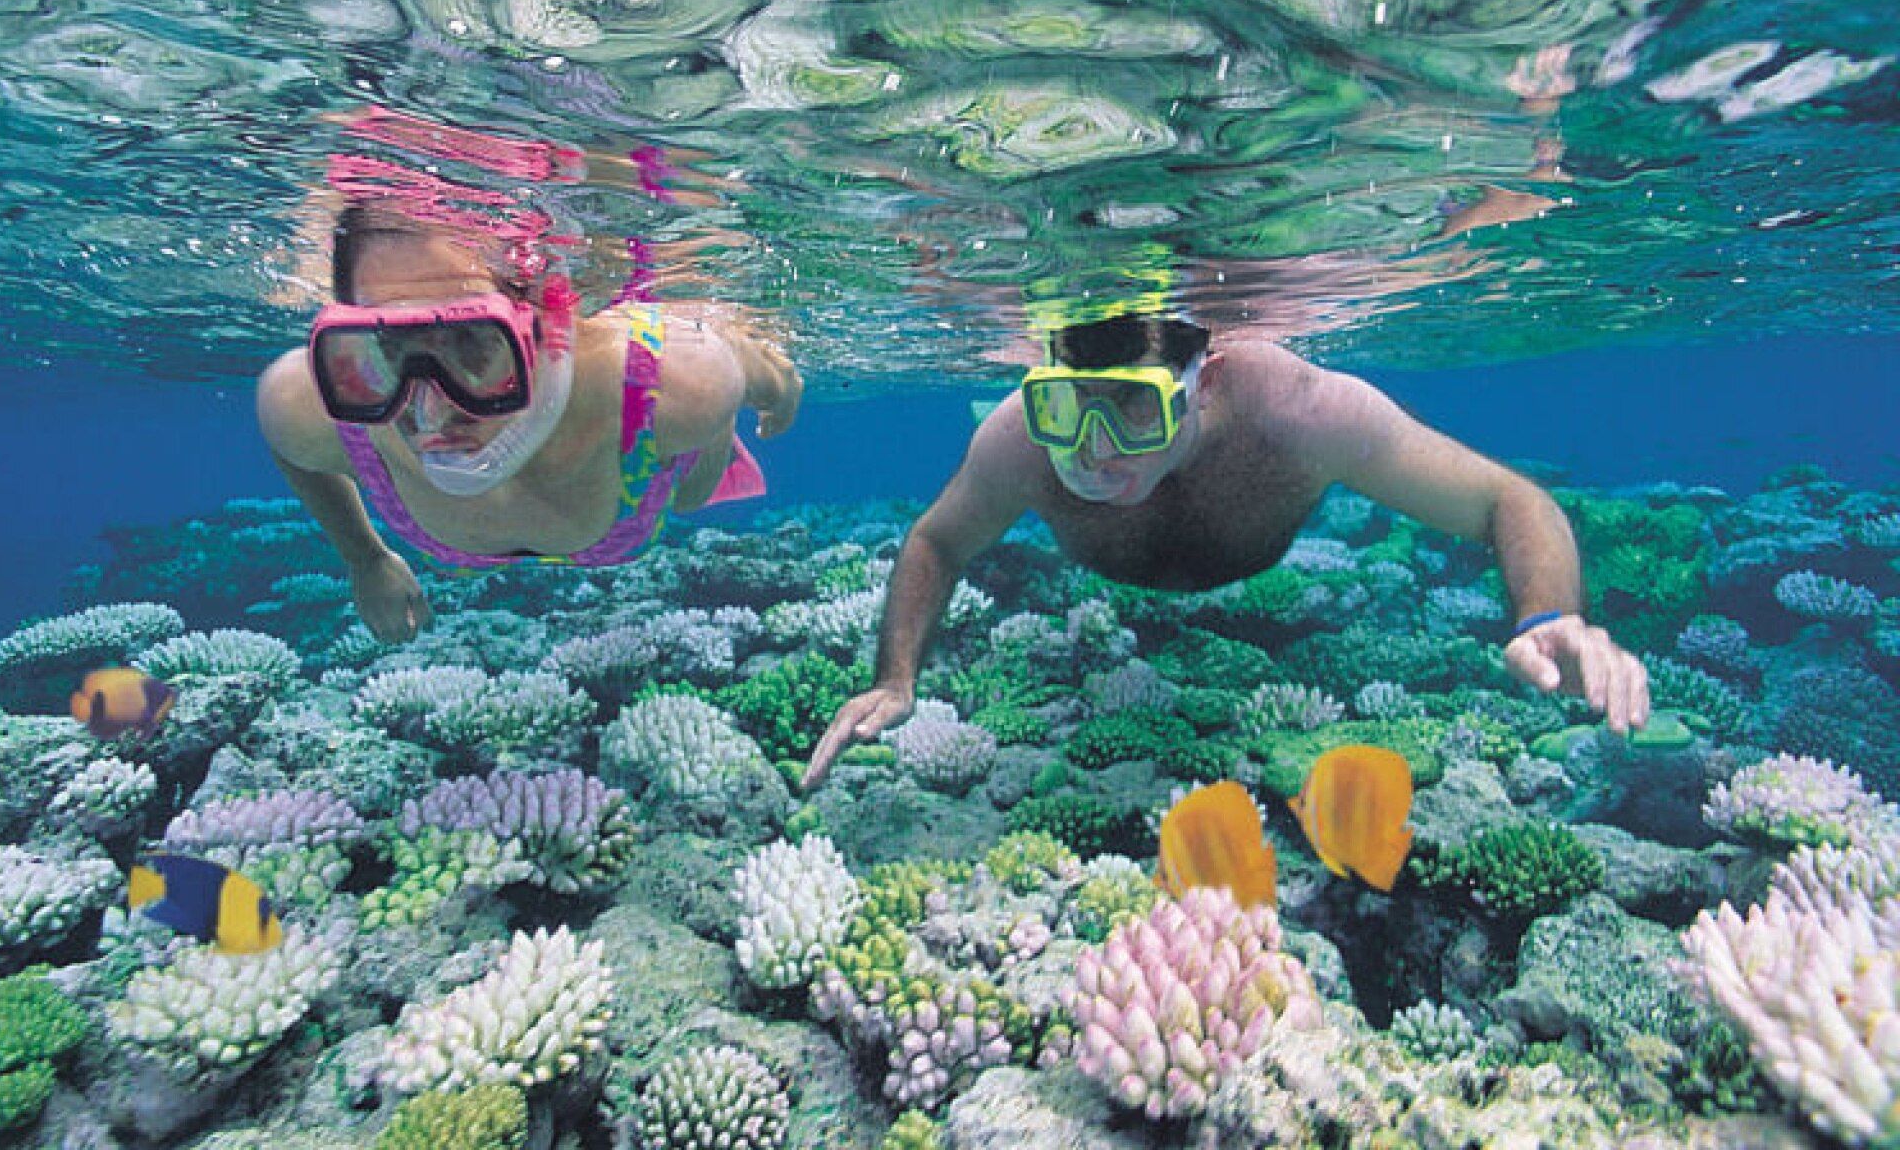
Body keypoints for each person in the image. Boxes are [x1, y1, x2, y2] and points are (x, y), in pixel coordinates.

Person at [802, 311, 1650, 789]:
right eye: (1068, 408)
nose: (1094, 449)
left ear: (1198, 385)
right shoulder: (1019, 441)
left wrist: (1549, 615)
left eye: (1132, 408)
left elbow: (1511, 498)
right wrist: (895, 678)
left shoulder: (1298, 411)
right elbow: (937, 540)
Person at [258, 201, 801, 644]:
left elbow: (769, 379)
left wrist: (779, 391)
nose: (432, 409)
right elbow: (288, 449)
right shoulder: (314, 400)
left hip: (656, 437)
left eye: (471, 339)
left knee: (691, 486)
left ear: (543, 325)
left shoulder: (679, 387)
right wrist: (364, 557)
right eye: (386, 343)